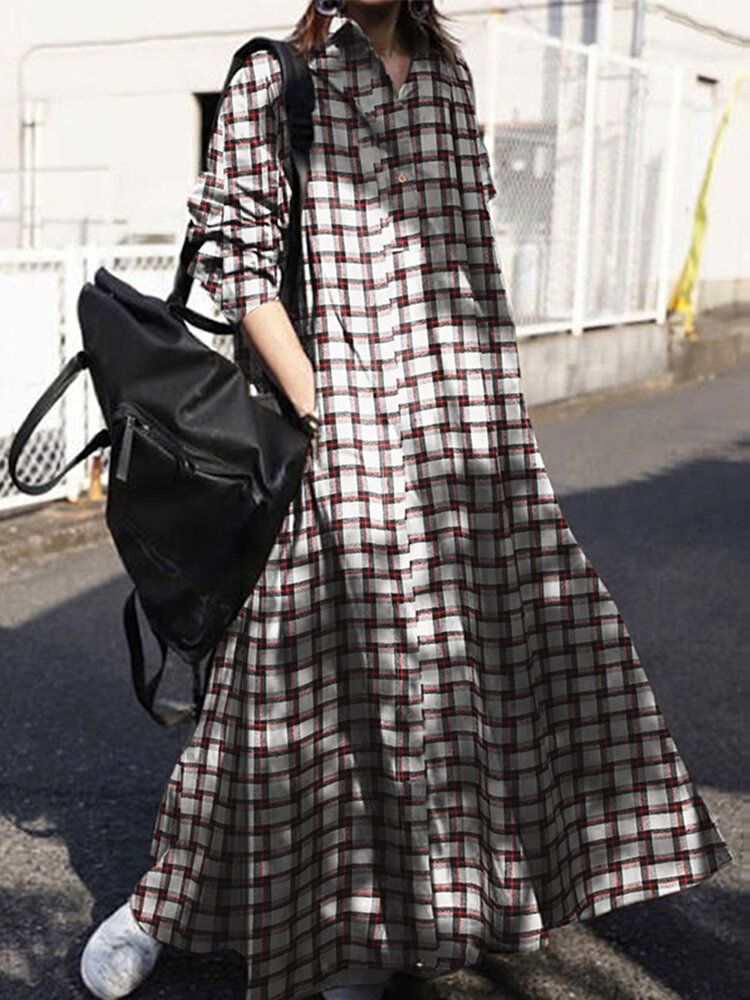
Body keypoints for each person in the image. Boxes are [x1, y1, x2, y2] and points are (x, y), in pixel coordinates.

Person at [80, 2, 734, 1000]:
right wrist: (326, 408)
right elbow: (240, 262)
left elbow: (470, 262)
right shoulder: (275, 78)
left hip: (467, 431)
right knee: (301, 678)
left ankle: (398, 917)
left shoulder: (447, 76)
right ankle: (167, 901)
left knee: (469, 671)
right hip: (345, 423)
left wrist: (499, 420)